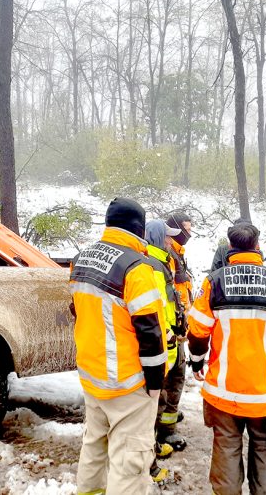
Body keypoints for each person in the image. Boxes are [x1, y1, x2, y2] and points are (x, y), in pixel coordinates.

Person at [187, 222, 266, 495]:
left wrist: (197, 361)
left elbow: (198, 329)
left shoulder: (214, 282)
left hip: (224, 391)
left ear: (230, 246)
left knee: (226, 447)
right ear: (257, 246)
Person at [70, 197, 167, 494]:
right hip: (126, 382)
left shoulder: (81, 258)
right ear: (139, 228)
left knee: (94, 445)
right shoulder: (136, 267)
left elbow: (77, 309)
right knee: (130, 460)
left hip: (92, 373)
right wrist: (155, 382)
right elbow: (150, 331)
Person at [144, 219, 185, 482]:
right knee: (153, 402)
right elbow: (156, 306)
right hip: (163, 342)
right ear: (157, 237)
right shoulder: (153, 265)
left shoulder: (163, 261)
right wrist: (170, 333)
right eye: (167, 237)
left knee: (162, 397)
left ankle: (154, 445)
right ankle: (150, 461)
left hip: (170, 339)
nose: (171, 241)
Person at [158, 212, 194, 451]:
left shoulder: (178, 255)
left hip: (178, 325)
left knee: (175, 377)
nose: (189, 234)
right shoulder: (167, 257)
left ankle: (168, 418)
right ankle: (166, 429)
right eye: (186, 229)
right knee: (173, 378)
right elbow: (170, 295)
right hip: (171, 328)